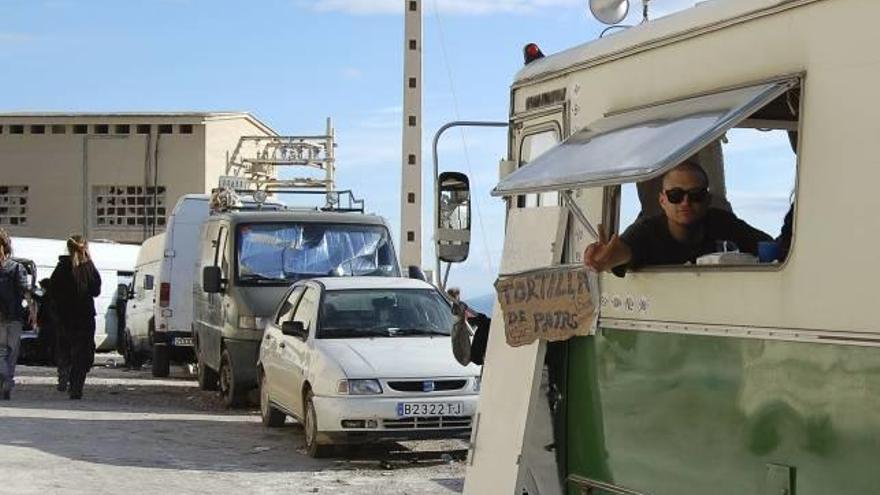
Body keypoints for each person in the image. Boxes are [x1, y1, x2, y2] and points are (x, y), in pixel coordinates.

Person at [584, 160, 772, 275]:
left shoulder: (723, 223)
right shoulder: (647, 232)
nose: (685, 202)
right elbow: (624, 251)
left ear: (707, 200)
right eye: (675, 195)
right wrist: (604, 259)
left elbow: (769, 249)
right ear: (663, 200)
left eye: (695, 195)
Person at [50, 235, 101, 400]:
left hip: (64, 317)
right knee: (83, 353)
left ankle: (64, 369)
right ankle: (76, 386)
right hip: (84, 316)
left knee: (65, 347)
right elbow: (96, 290)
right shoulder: (88, 268)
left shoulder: (61, 268)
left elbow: (52, 291)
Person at [0, 229, 31, 400]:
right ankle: (7, 381)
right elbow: (25, 291)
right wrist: (32, 311)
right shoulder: (17, 268)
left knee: (1, 352)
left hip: (7, 317)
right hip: (13, 317)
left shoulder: (15, 268)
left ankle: (3, 379)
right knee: (11, 353)